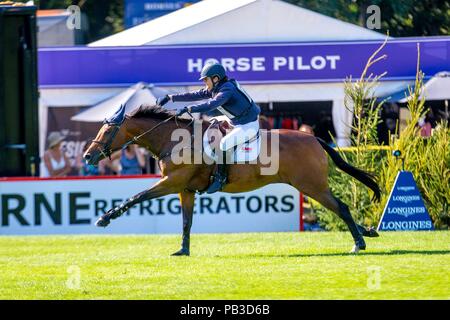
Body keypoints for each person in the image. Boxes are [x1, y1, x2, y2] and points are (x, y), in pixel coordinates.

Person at [156, 62, 261, 193]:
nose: (205, 83)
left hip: (248, 125)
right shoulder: (219, 87)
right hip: (236, 121)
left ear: (215, 78)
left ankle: (220, 178)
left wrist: (189, 108)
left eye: (206, 80)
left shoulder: (227, 89)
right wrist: (170, 97)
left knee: (223, 144)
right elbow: (195, 94)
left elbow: (212, 104)